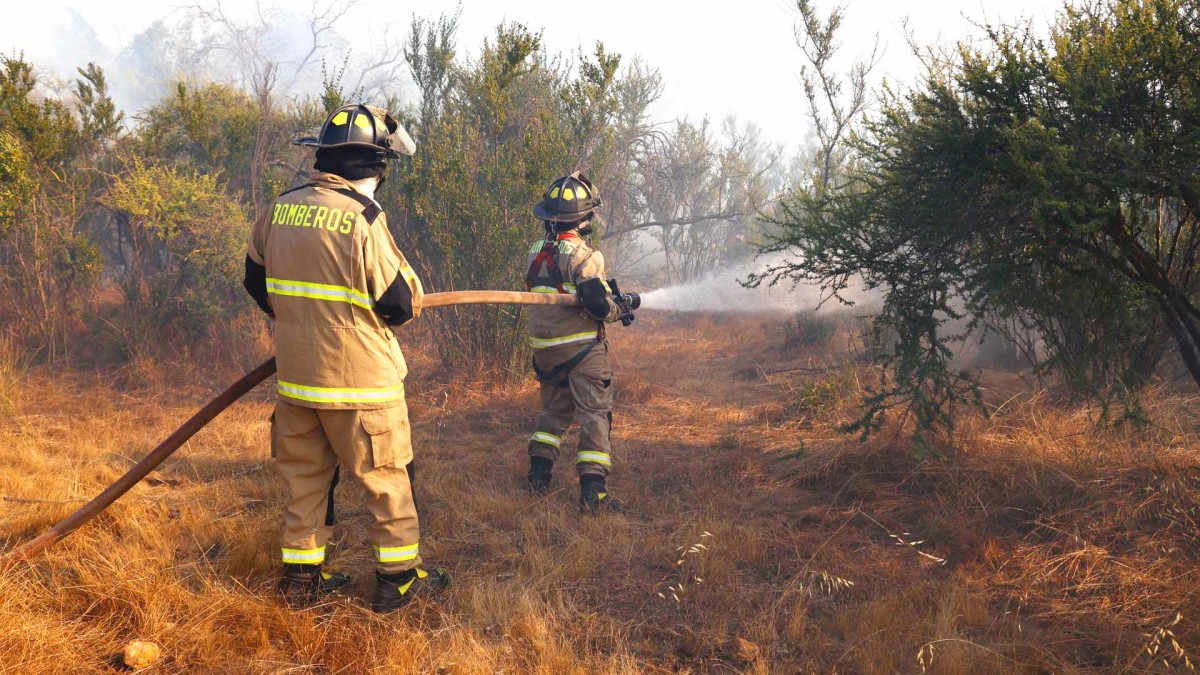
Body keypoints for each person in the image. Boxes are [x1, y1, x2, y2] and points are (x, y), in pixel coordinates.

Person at [242, 103, 448, 612]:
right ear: (378, 166)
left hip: (297, 381)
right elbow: (399, 304)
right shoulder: (363, 218)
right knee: (386, 481)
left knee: (305, 482)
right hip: (363, 388)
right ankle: (398, 580)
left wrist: (301, 321)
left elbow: (255, 281)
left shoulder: (279, 207)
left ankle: (301, 582)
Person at [524, 171, 634, 514]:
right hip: (582, 351)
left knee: (552, 411)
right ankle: (594, 494)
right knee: (595, 415)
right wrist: (621, 307)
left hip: (545, 350)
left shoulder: (536, 250)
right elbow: (599, 306)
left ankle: (538, 476)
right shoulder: (585, 256)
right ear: (584, 217)